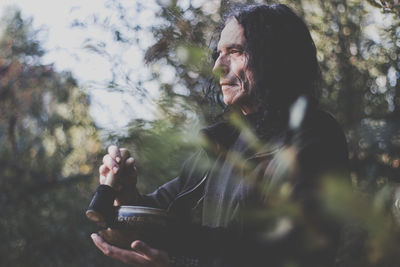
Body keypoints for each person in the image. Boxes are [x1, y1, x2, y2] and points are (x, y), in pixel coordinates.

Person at [90, 3, 350, 267]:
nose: (217, 67)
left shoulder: (314, 137)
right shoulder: (222, 145)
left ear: (273, 56)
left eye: (235, 52)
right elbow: (158, 218)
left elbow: (282, 252)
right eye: (219, 53)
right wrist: (125, 194)